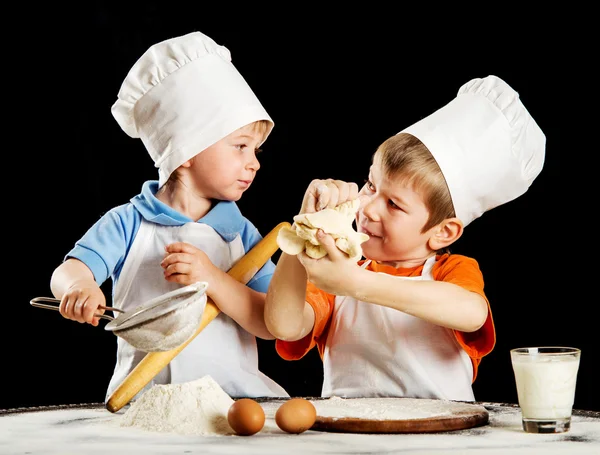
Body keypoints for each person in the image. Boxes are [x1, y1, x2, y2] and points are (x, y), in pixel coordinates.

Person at [264, 75, 545, 402]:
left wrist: (357, 283)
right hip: (349, 442)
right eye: (371, 185)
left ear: (443, 232)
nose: (368, 208)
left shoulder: (450, 271)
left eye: (394, 204)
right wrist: (305, 229)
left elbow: (472, 313)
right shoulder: (340, 271)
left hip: (439, 442)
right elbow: (283, 326)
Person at [49, 31, 288, 400]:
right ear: (186, 149)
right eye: (240, 146)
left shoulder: (242, 235)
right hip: (145, 400)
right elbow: (71, 269)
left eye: (255, 150)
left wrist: (212, 277)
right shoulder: (129, 222)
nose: (254, 163)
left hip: (234, 404)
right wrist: (79, 288)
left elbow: (271, 322)